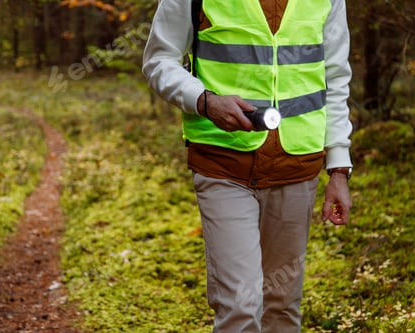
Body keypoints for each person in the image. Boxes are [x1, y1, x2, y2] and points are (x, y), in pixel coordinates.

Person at [142, 0, 353, 332]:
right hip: (223, 165)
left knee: (282, 305)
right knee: (239, 307)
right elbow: (158, 60)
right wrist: (205, 101)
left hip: (297, 166)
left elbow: (336, 78)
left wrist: (339, 168)